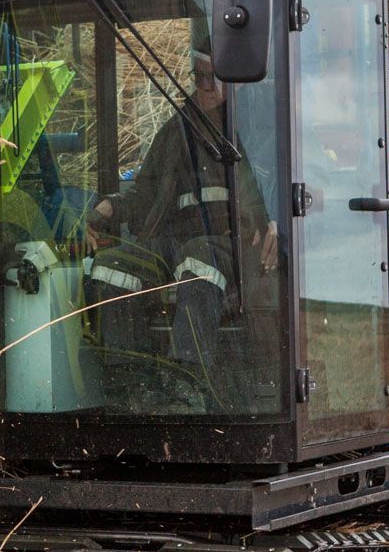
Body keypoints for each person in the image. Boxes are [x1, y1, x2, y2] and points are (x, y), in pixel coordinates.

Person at [85, 48, 277, 406]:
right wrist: (111, 206)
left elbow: (269, 193)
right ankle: (130, 382)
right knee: (112, 265)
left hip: (232, 247)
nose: (203, 85)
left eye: (212, 77)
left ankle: (186, 378)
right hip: (171, 243)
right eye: (197, 76)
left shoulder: (251, 129)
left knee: (198, 257)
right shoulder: (174, 132)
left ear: (233, 80)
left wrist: (265, 222)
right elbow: (145, 192)